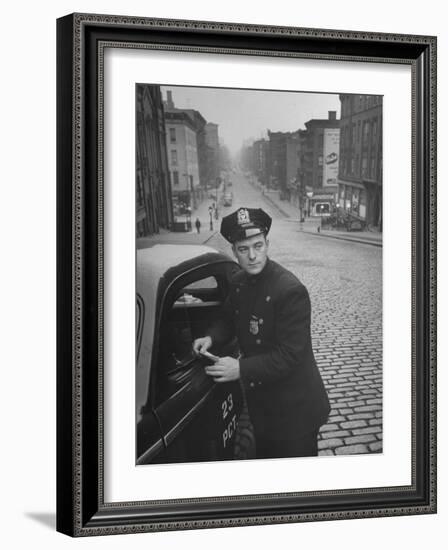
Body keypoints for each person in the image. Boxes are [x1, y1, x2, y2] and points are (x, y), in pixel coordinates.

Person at [193, 207, 330, 459]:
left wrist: (240, 369)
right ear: (234, 252)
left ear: (267, 244)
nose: (252, 256)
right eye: (243, 249)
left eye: (258, 246)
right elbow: (227, 319)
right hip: (263, 407)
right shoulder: (238, 283)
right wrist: (211, 337)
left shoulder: (289, 290)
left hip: (295, 412)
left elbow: (290, 355)